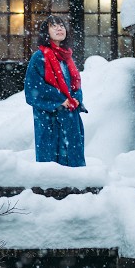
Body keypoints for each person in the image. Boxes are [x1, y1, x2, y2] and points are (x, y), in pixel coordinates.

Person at [24, 15, 87, 167]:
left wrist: (76, 98)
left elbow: (75, 84)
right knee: (51, 162)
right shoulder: (39, 57)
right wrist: (59, 100)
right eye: (54, 26)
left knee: (73, 159)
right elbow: (33, 87)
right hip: (49, 118)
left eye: (61, 25)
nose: (59, 28)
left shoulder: (67, 57)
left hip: (70, 117)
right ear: (46, 32)